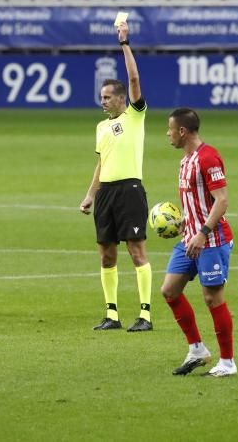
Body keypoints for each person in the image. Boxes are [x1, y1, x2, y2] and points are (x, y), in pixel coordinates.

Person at [79, 20, 153, 332]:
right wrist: (90, 194)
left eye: (107, 97)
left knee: (136, 251)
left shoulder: (135, 116)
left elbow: (134, 77)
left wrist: (124, 43)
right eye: (102, 96)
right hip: (107, 193)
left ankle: (146, 315)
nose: (103, 101)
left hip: (130, 190)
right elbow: (101, 163)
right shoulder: (101, 127)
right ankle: (112, 314)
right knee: (106, 254)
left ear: (121, 97)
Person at [161, 108, 236, 378]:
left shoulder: (208, 158)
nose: (167, 134)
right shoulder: (185, 161)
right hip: (189, 238)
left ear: (182, 131)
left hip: (211, 240)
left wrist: (203, 232)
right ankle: (197, 350)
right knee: (170, 290)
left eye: (170, 129)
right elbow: (196, 200)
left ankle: (227, 363)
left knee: (212, 298)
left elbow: (222, 200)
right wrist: (185, 224)